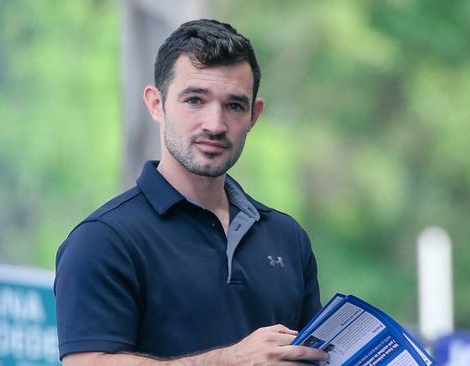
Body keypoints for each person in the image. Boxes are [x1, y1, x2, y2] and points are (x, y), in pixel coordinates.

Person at [54, 19, 328, 366]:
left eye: (234, 105)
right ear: (156, 104)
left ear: (254, 115)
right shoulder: (103, 240)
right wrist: (229, 361)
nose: (214, 124)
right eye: (195, 100)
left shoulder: (287, 237)